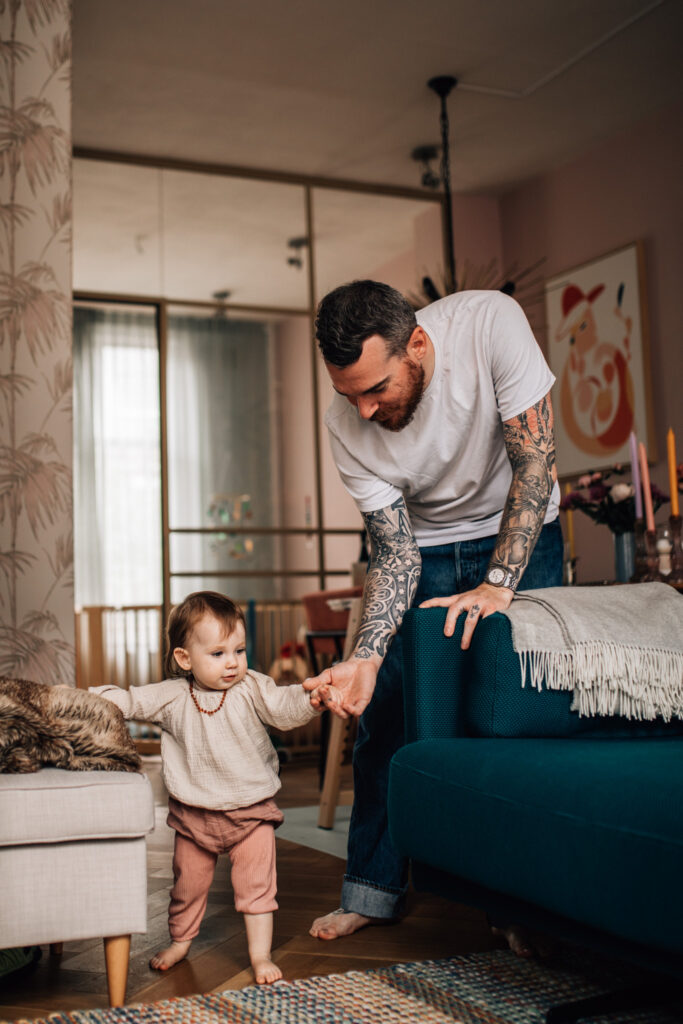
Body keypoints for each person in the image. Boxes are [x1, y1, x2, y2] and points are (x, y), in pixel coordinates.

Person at [303, 281, 563, 956]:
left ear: (416, 344)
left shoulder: (489, 323)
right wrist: (365, 657)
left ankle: (517, 903)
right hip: (421, 545)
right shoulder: (345, 424)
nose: (362, 408)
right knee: (384, 713)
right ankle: (372, 889)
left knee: (513, 721)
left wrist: (497, 585)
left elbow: (534, 463)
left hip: (520, 528)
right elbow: (391, 553)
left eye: (376, 388)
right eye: (347, 392)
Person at [92, 590, 330, 984]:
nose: (233, 663)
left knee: (257, 888)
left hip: (251, 813)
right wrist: (89, 699)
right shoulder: (172, 695)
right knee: (187, 886)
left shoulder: (252, 686)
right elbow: (130, 701)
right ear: (185, 658)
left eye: (239, 650)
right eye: (218, 654)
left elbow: (285, 706)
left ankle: (260, 955)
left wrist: (311, 699)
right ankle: (181, 942)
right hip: (194, 816)